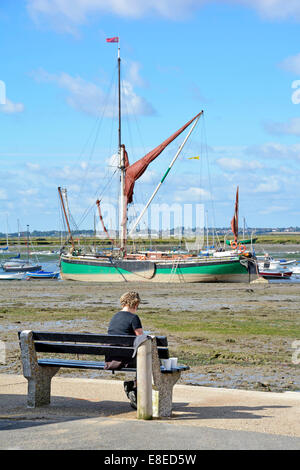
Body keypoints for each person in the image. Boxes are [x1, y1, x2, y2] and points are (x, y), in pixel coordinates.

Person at [106, 291, 143, 409]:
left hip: (112, 359)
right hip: (126, 360)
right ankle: (135, 389)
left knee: (142, 360)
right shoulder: (134, 318)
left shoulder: (114, 316)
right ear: (136, 304)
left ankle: (133, 388)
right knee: (148, 361)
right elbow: (141, 338)